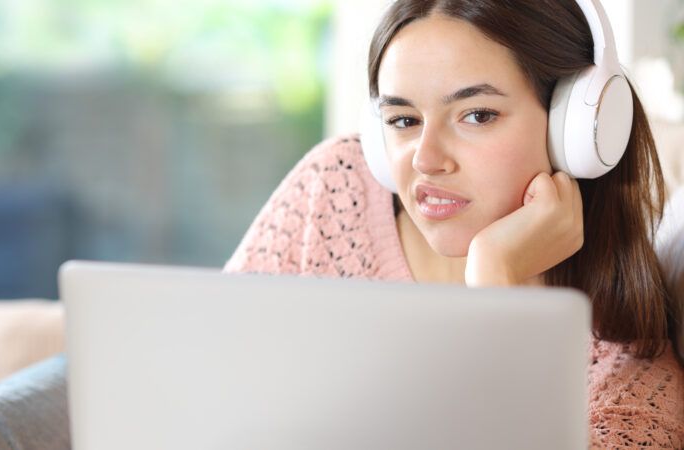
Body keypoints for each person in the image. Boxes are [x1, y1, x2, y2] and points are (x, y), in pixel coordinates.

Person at [223, 0, 684, 447]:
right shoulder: (334, 189)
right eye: (403, 119)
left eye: (477, 115)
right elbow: (205, 378)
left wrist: (493, 280)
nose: (426, 159)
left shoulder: (630, 390)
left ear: (575, 127)